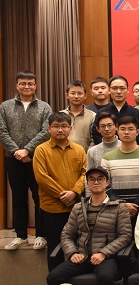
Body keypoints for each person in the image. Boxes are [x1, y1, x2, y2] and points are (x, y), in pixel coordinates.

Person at [46, 167, 132, 285]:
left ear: (107, 182)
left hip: (106, 257)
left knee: (105, 277)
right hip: (82, 256)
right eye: (92, 179)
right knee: (53, 277)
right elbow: (66, 234)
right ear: (87, 183)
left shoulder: (119, 207)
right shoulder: (78, 207)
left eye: (100, 179)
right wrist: (72, 253)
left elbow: (125, 236)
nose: (96, 182)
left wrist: (103, 253)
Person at [0, 70, 51, 250]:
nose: (26, 86)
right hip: (13, 159)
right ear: (17, 85)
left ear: (35, 86)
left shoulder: (44, 107)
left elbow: (46, 132)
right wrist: (17, 151)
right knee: (19, 198)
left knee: (40, 197)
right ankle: (20, 236)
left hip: (38, 158)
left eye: (30, 83)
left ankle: (41, 235)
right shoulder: (5, 106)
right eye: (23, 83)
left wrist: (27, 149)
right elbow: (2, 131)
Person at [33, 112, 86, 270]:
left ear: (70, 128)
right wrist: (63, 195)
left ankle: (74, 280)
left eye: (64, 126)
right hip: (52, 208)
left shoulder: (79, 149)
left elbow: (85, 173)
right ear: (49, 129)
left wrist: (74, 192)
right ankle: (56, 280)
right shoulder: (41, 150)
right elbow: (42, 177)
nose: (60, 130)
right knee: (55, 248)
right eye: (56, 126)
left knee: (78, 246)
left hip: (75, 207)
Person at [101, 116, 139, 224]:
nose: (126, 132)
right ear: (117, 131)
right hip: (116, 212)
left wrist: (136, 205)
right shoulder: (107, 157)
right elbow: (105, 185)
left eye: (130, 129)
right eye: (123, 129)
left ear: (137, 132)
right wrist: (122, 205)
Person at [92, 75, 139, 145]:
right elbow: (96, 134)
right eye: (114, 88)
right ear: (109, 90)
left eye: (122, 88)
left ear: (128, 90)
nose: (118, 92)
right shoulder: (102, 112)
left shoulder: (135, 112)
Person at [62, 80, 95, 151]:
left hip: (84, 155)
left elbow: (94, 140)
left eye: (80, 93)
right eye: (73, 93)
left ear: (85, 96)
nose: (76, 96)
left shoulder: (92, 116)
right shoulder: (61, 115)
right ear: (67, 95)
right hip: (62, 154)